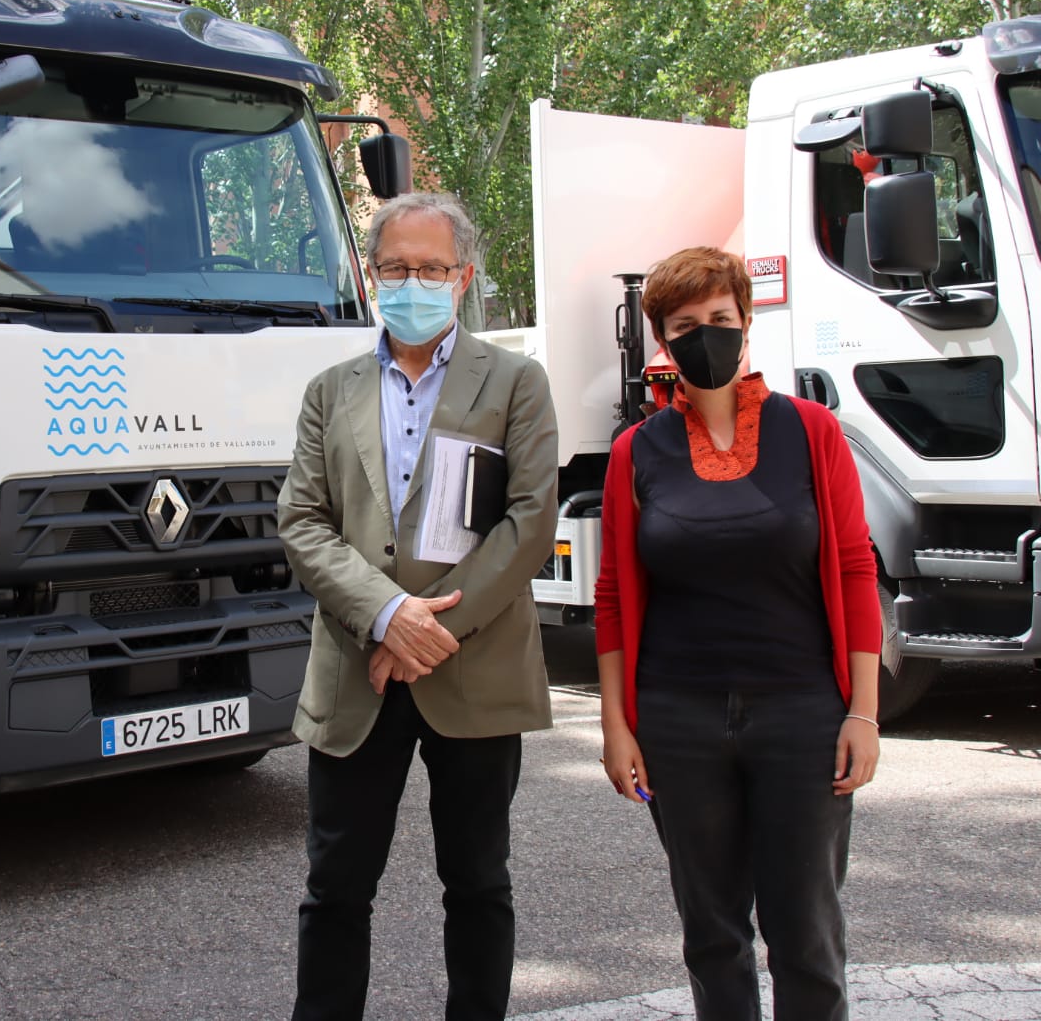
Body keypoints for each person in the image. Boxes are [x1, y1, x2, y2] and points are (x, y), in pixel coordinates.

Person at [277, 191, 559, 1021]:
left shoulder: (515, 381)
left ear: (463, 277)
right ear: (371, 275)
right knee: (335, 887)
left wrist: (427, 630)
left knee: (478, 882)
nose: (413, 283)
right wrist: (387, 615)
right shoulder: (329, 391)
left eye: (432, 269)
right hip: (356, 669)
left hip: (473, 669)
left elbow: (530, 521)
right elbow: (302, 521)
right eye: (396, 267)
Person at [594, 245, 882, 1021]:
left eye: (719, 318)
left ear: (747, 321)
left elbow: (855, 567)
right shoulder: (635, 452)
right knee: (713, 937)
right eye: (685, 325)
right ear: (663, 341)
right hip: (679, 721)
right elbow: (614, 595)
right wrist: (617, 726)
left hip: (802, 715)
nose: (706, 336)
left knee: (807, 936)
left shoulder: (811, 431)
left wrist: (863, 712)